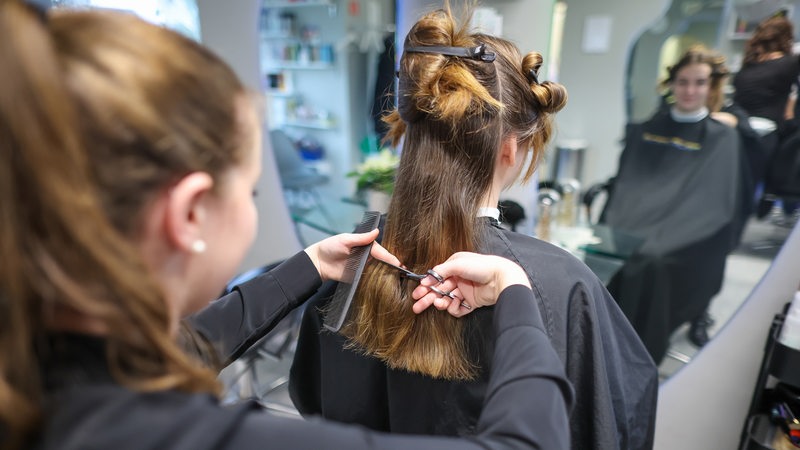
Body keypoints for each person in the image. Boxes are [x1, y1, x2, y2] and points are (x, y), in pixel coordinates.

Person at [0, 2, 575, 449]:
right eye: (249, 188)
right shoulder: (167, 435)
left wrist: (307, 268)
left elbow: (182, 348)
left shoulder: (38, 362)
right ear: (189, 214)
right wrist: (516, 295)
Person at [289, 4, 658, 450]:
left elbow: (311, 396)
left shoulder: (350, 260)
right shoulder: (561, 283)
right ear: (510, 149)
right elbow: (616, 415)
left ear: (411, 132)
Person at [600, 46, 746, 358]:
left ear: (711, 87)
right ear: (672, 84)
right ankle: (605, 340)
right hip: (635, 220)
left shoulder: (721, 136)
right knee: (622, 252)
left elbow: (714, 202)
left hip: (686, 232)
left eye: (699, 83)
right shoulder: (647, 130)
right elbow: (629, 184)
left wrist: (660, 235)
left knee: (653, 261)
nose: (690, 90)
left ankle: (641, 351)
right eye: (683, 82)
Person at [733, 14, 800, 203]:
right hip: (765, 133)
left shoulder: (748, 64)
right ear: (785, 37)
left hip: (738, 128)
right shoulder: (789, 63)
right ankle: (777, 196)